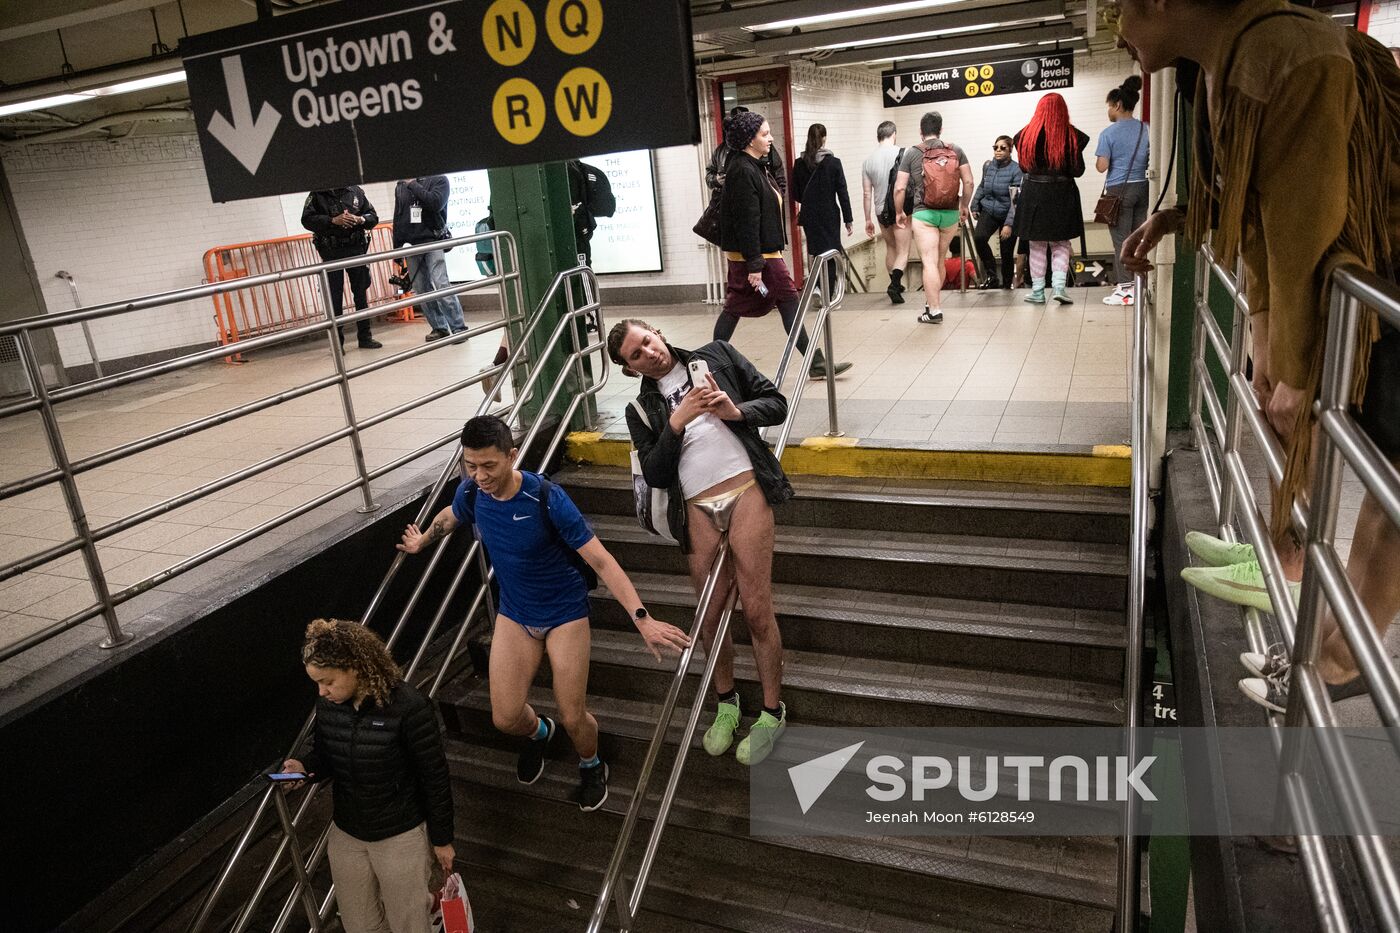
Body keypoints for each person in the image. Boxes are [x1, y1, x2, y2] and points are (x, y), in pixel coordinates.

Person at [1114, 0, 1400, 713]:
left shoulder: (1277, 53)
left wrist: (1295, 366)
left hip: (1383, 282)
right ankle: (1307, 590)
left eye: (1122, 7)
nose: (1117, 24)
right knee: (1377, 463)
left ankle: (1338, 654)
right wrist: (1177, 218)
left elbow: (1305, 225)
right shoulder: (1234, 58)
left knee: (1388, 477)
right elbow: (1253, 197)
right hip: (1377, 285)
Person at [397, 416, 689, 809]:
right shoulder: (472, 493)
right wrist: (424, 540)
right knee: (505, 717)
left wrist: (643, 619)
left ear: (512, 456)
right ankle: (539, 733)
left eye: (489, 466)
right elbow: (451, 514)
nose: (479, 475)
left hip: (564, 613)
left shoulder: (546, 498)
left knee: (573, 715)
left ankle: (591, 762)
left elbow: (602, 562)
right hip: (516, 613)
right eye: (471, 466)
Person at [608, 318, 794, 766]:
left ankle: (772, 711)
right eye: (636, 355)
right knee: (710, 616)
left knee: (755, 608)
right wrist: (675, 423)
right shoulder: (640, 411)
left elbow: (776, 403)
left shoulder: (718, 356)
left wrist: (735, 411)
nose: (648, 352)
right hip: (696, 508)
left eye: (647, 341)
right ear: (630, 369)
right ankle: (727, 702)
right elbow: (654, 472)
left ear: (656, 331)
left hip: (746, 489)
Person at [283, 619, 453, 933]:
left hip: (399, 833)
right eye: (317, 683)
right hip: (348, 830)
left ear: (356, 667)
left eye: (328, 681)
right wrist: (304, 768)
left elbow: (434, 775)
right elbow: (327, 756)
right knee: (359, 923)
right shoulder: (328, 705)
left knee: (408, 923)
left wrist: (442, 840)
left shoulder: (410, 708)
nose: (322, 691)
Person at [714, 109, 850, 379]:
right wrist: (755, 264)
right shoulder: (742, 169)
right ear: (749, 139)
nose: (771, 138)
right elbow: (747, 220)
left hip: (760, 254)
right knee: (787, 301)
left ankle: (712, 360)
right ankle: (815, 363)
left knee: (736, 307)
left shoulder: (754, 166)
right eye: (764, 134)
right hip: (759, 257)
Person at [893, 111, 975, 325]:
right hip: (949, 213)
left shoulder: (912, 153)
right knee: (939, 259)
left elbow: (900, 187)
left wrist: (899, 212)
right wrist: (964, 205)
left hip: (924, 212)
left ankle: (935, 310)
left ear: (921, 132)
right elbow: (969, 182)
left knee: (928, 262)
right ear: (940, 130)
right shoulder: (955, 150)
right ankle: (931, 304)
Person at [1012, 94, 1090, 306]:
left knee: (1036, 245)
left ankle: (1037, 291)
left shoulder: (1024, 136)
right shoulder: (1072, 136)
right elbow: (1078, 170)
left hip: (1033, 194)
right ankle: (1058, 287)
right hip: (1062, 194)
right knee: (1061, 244)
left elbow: (1023, 167)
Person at [300, 187, 383, 350]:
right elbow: (307, 220)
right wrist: (332, 221)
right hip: (331, 252)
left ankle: (365, 337)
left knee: (361, 295)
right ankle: (338, 344)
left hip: (356, 248)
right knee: (334, 299)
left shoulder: (356, 191)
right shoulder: (317, 194)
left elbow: (373, 217)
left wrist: (360, 220)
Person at [1095, 75, 1150, 306]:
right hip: (1143, 188)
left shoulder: (1108, 133)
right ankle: (1138, 286)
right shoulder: (1145, 129)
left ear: (1117, 105)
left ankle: (1125, 290)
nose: (1109, 110)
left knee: (1121, 241)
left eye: (1109, 106)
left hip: (1118, 190)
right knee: (1138, 239)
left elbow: (1102, 167)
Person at [393, 175, 466, 343]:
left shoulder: (439, 180)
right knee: (421, 288)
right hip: (411, 243)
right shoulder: (400, 185)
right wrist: (396, 248)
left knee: (441, 283)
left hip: (433, 241)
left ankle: (458, 327)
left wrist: (412, 185)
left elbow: (435, 203)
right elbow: (399, 215)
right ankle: (439, 327)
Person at [791, 123, 854, 295]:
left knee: (816, 252)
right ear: (824, 138)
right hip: (829, 215)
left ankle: (818, 286)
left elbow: (796, 194)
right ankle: (828, 293)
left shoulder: (799, 164)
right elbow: (843, 193)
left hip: (809, 216)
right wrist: (848, 219)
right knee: (831, 254)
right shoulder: (834, 163)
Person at [861, 120, 913, 304]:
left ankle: (895, 284)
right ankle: (895, 285)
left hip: (880, 210)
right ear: (894, 134)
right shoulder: (904, 154)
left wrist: (867, 219)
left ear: (878, 137)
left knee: (891, 247)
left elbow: (867, 193)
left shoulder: (868, 161)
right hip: (900, 209)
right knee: (903, 250)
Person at [969, 135, 1024, 290]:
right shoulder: (988, 166)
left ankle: (1007, 284)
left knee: (1007, 252)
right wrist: (974, 205)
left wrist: (1008, 224)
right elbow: (982, 186)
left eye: (1002, 148)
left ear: (1010, 150)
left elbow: (1015, 201)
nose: (998, 151)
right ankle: (992, 275)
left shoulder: (1016, 169)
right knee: (979, 238)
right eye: (995, 147)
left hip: (1008, 212)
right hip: (990, 210)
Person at [706, 105, 787, 199]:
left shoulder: (764, 148)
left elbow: (778, 171)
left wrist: (778, 195)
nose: (771, 139)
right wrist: (716, 180)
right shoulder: (723, 152)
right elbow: (709, 173)